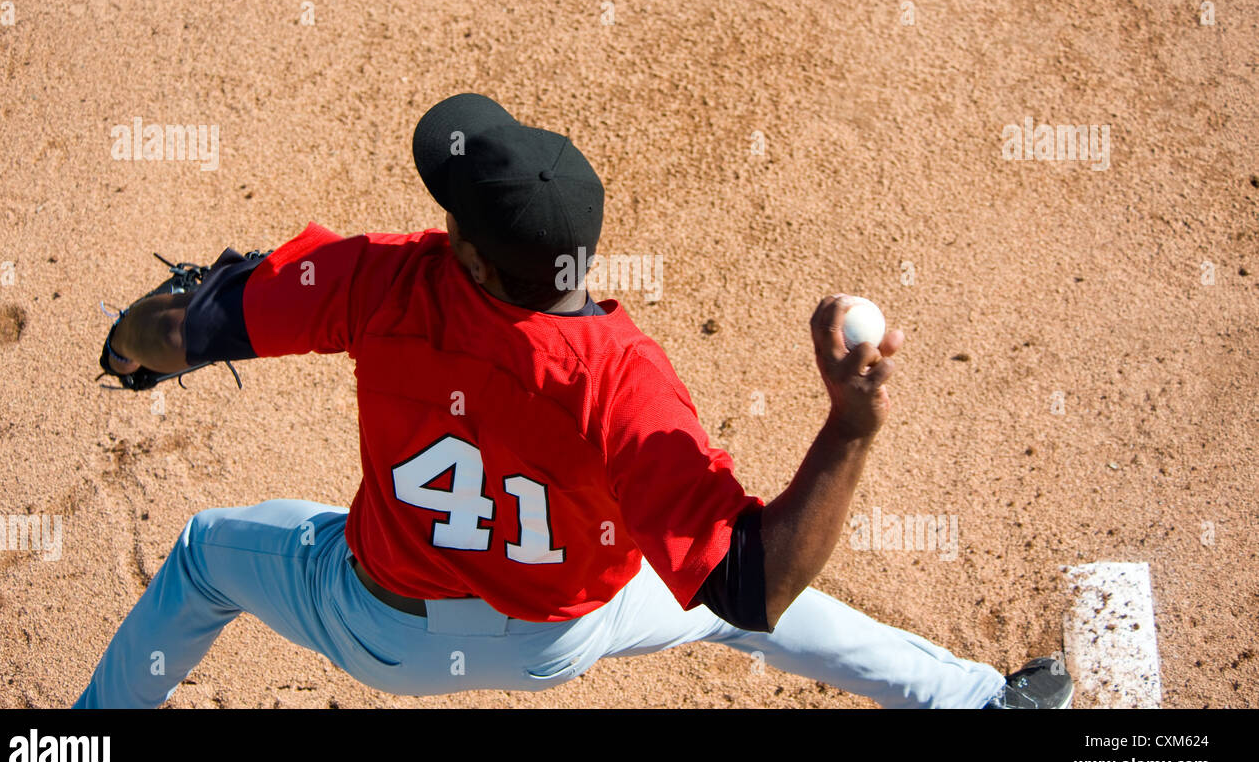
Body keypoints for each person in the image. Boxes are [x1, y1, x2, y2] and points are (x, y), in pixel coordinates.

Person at [76, 93, 1072, 709]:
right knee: (723, 604)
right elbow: (753, 583)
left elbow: (179, 333)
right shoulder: (623, 375)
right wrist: (848, 433)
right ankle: (979, 705)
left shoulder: (378, 282)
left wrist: (130, 350)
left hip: (381, 627)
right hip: (564, 633)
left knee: (209, 552)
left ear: (468, 249)